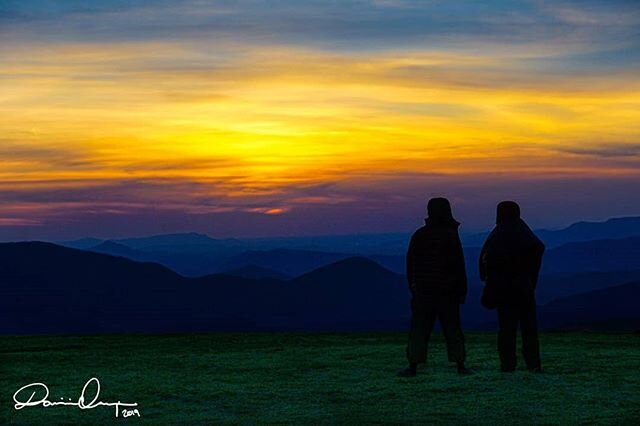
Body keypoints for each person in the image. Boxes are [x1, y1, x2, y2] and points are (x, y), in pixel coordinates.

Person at [398, 197, 471, 377]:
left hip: (423, 291)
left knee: (419, 329)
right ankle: (460, 364)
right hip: (448, 292)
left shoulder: (419, 235)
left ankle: (413, 365)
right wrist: (461, 290)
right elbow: (458, 265)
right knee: (453, 328)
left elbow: (410, 264)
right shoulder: (450, 235)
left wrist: (413, 287)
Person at [479, 201, 545, 373]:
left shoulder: (498, 233)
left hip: (504, 289)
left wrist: (491, 278)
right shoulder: (522, 229)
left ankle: (507, 364)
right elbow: (538, 247)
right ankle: (533, 364)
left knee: (506, 328)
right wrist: (530, 274)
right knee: (528, 327)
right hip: (524, 287)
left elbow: (486, 257)